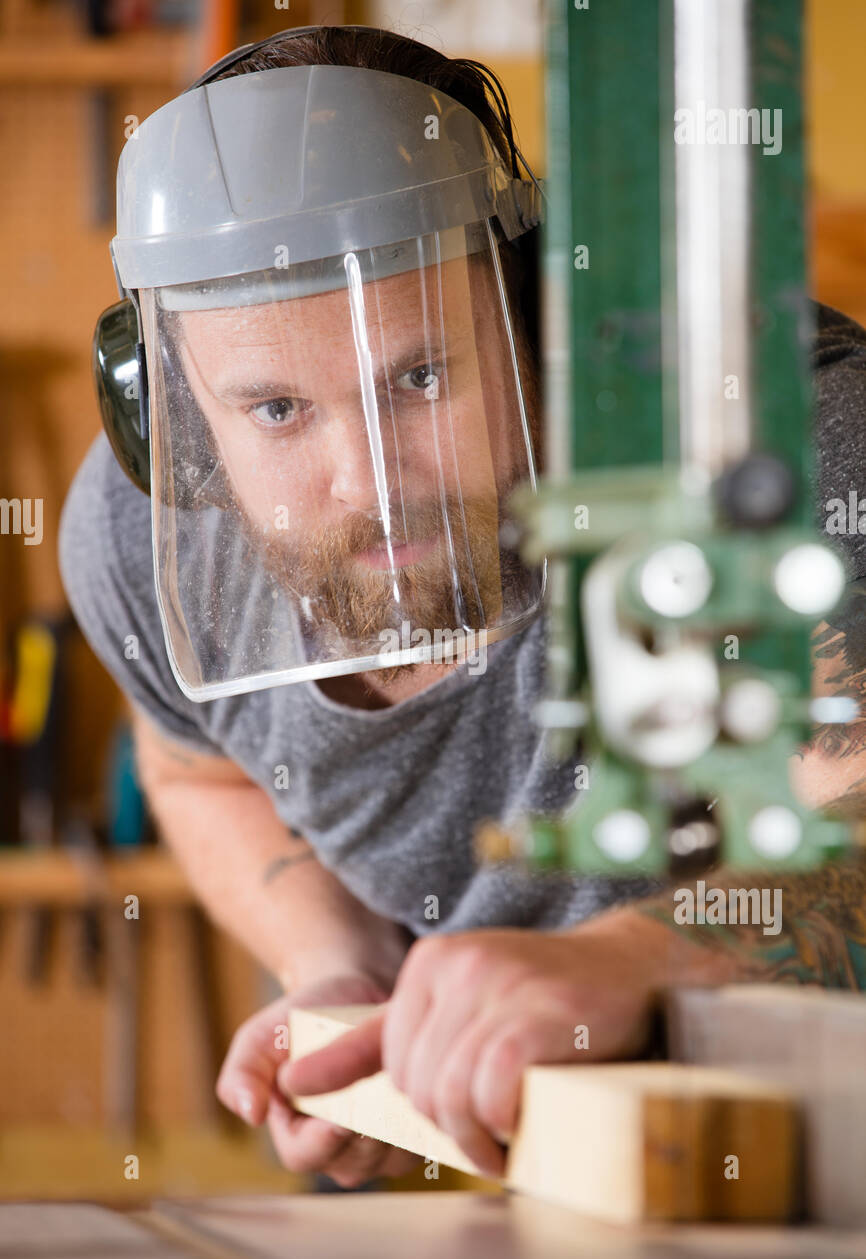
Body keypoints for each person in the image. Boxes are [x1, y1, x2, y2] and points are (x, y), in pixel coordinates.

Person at [60, 25, 866, 1188]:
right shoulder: (141, 532)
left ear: (528, 305)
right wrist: (332, 967)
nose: (368, 480)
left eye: (419, 376)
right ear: (168, 410)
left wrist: (644, 958)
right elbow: (194, 766)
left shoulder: (771, 451)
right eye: (278, 409)